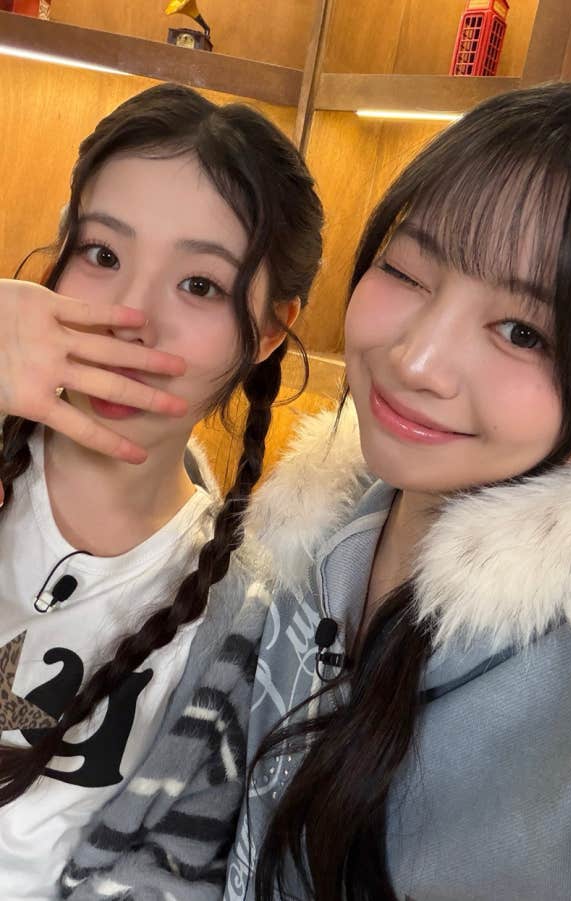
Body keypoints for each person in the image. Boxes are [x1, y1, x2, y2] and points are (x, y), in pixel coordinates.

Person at [64, 80, 571, 901]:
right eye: (409, 272)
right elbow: (186, 844)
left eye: (523, 331)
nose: (416, 360)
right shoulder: (299, 542)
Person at [0, 81, 323, 899]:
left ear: (271, 330)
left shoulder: (241, 625)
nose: (131, 318)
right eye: (103, 256)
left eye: (200, 285)